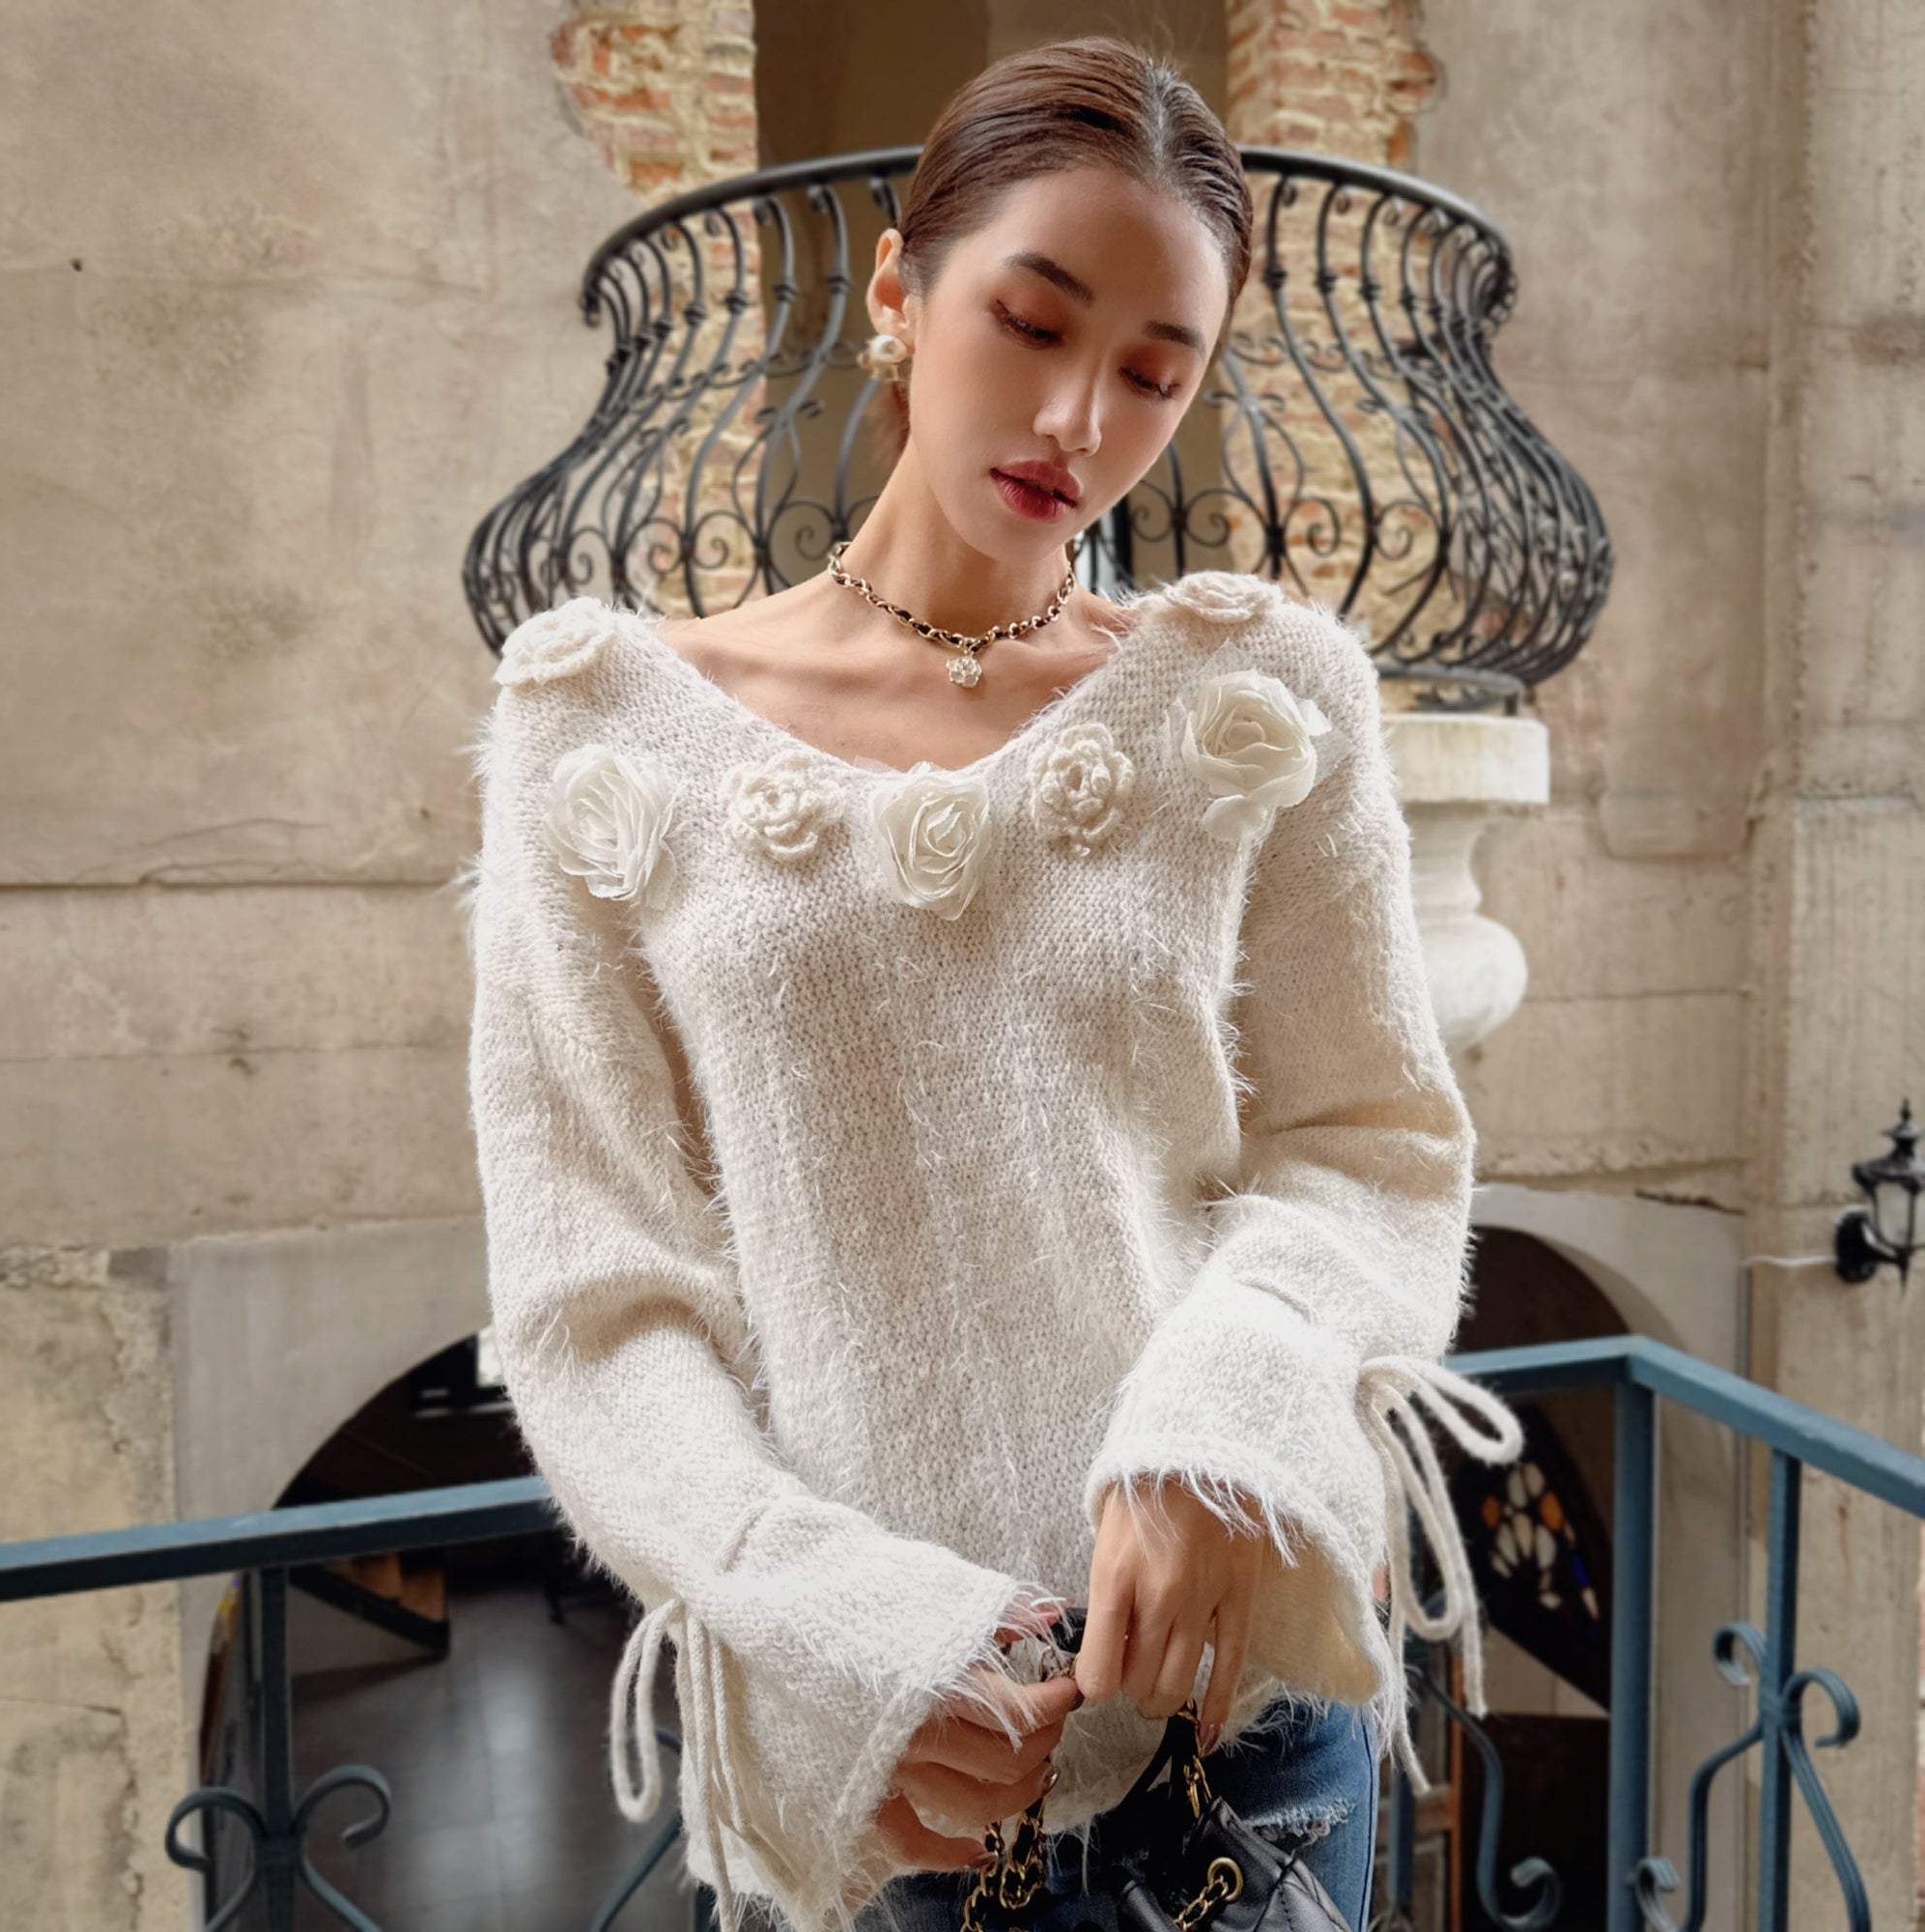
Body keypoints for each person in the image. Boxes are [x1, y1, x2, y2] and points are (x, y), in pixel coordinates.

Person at [466, 32, 1524, 1932]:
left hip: (1246, 1731)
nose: (1076, 416)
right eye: (1029, 322)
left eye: (1150, 370)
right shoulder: (599, 737)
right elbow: (591, 1299)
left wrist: (1232, 1405)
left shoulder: (1265, 702)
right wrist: (832, 1613)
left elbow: (1372, 1148)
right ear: (896, 290)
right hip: (889, 1771)